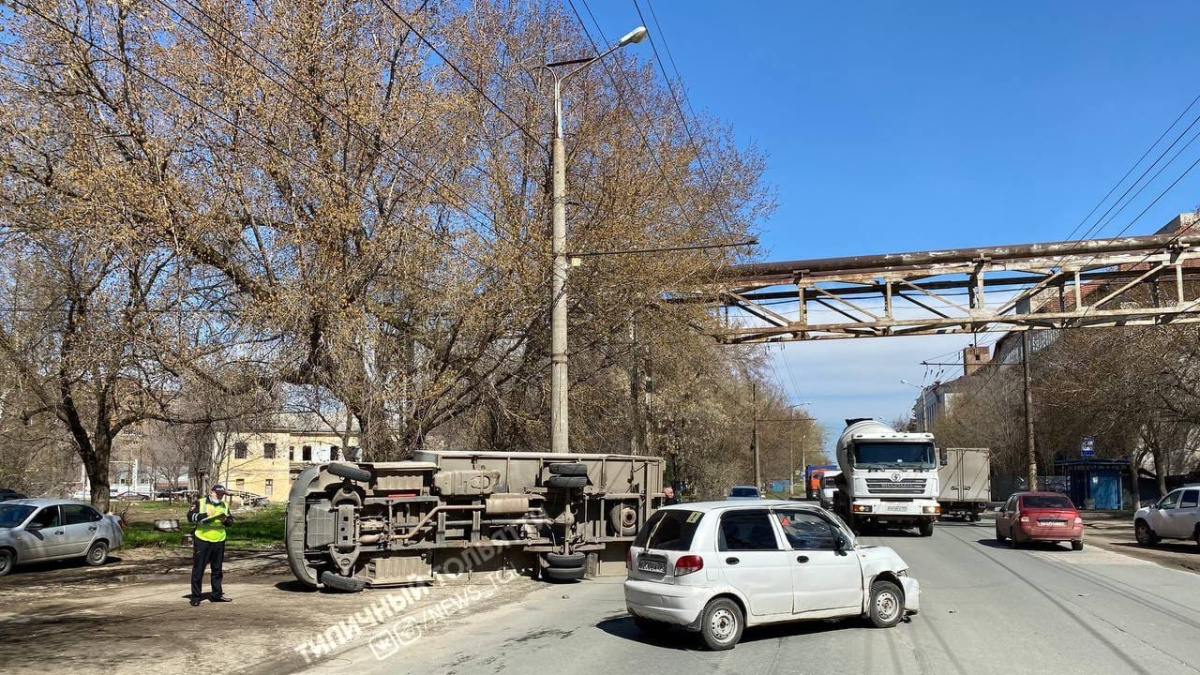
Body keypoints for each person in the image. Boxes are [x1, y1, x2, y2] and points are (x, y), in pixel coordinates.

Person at [188, 484, 234, 606]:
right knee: (199, 569)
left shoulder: (224, 505)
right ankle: (196, 596)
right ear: (211, 493)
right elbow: (190, 517)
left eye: (221, 495)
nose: (219, 496)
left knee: (217, 569)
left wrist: (226, 520)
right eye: (217, 494)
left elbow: (230, 522)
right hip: (202, 539)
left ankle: (217, 594)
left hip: (219, 540)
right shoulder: (200, 502)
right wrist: (202, 516)